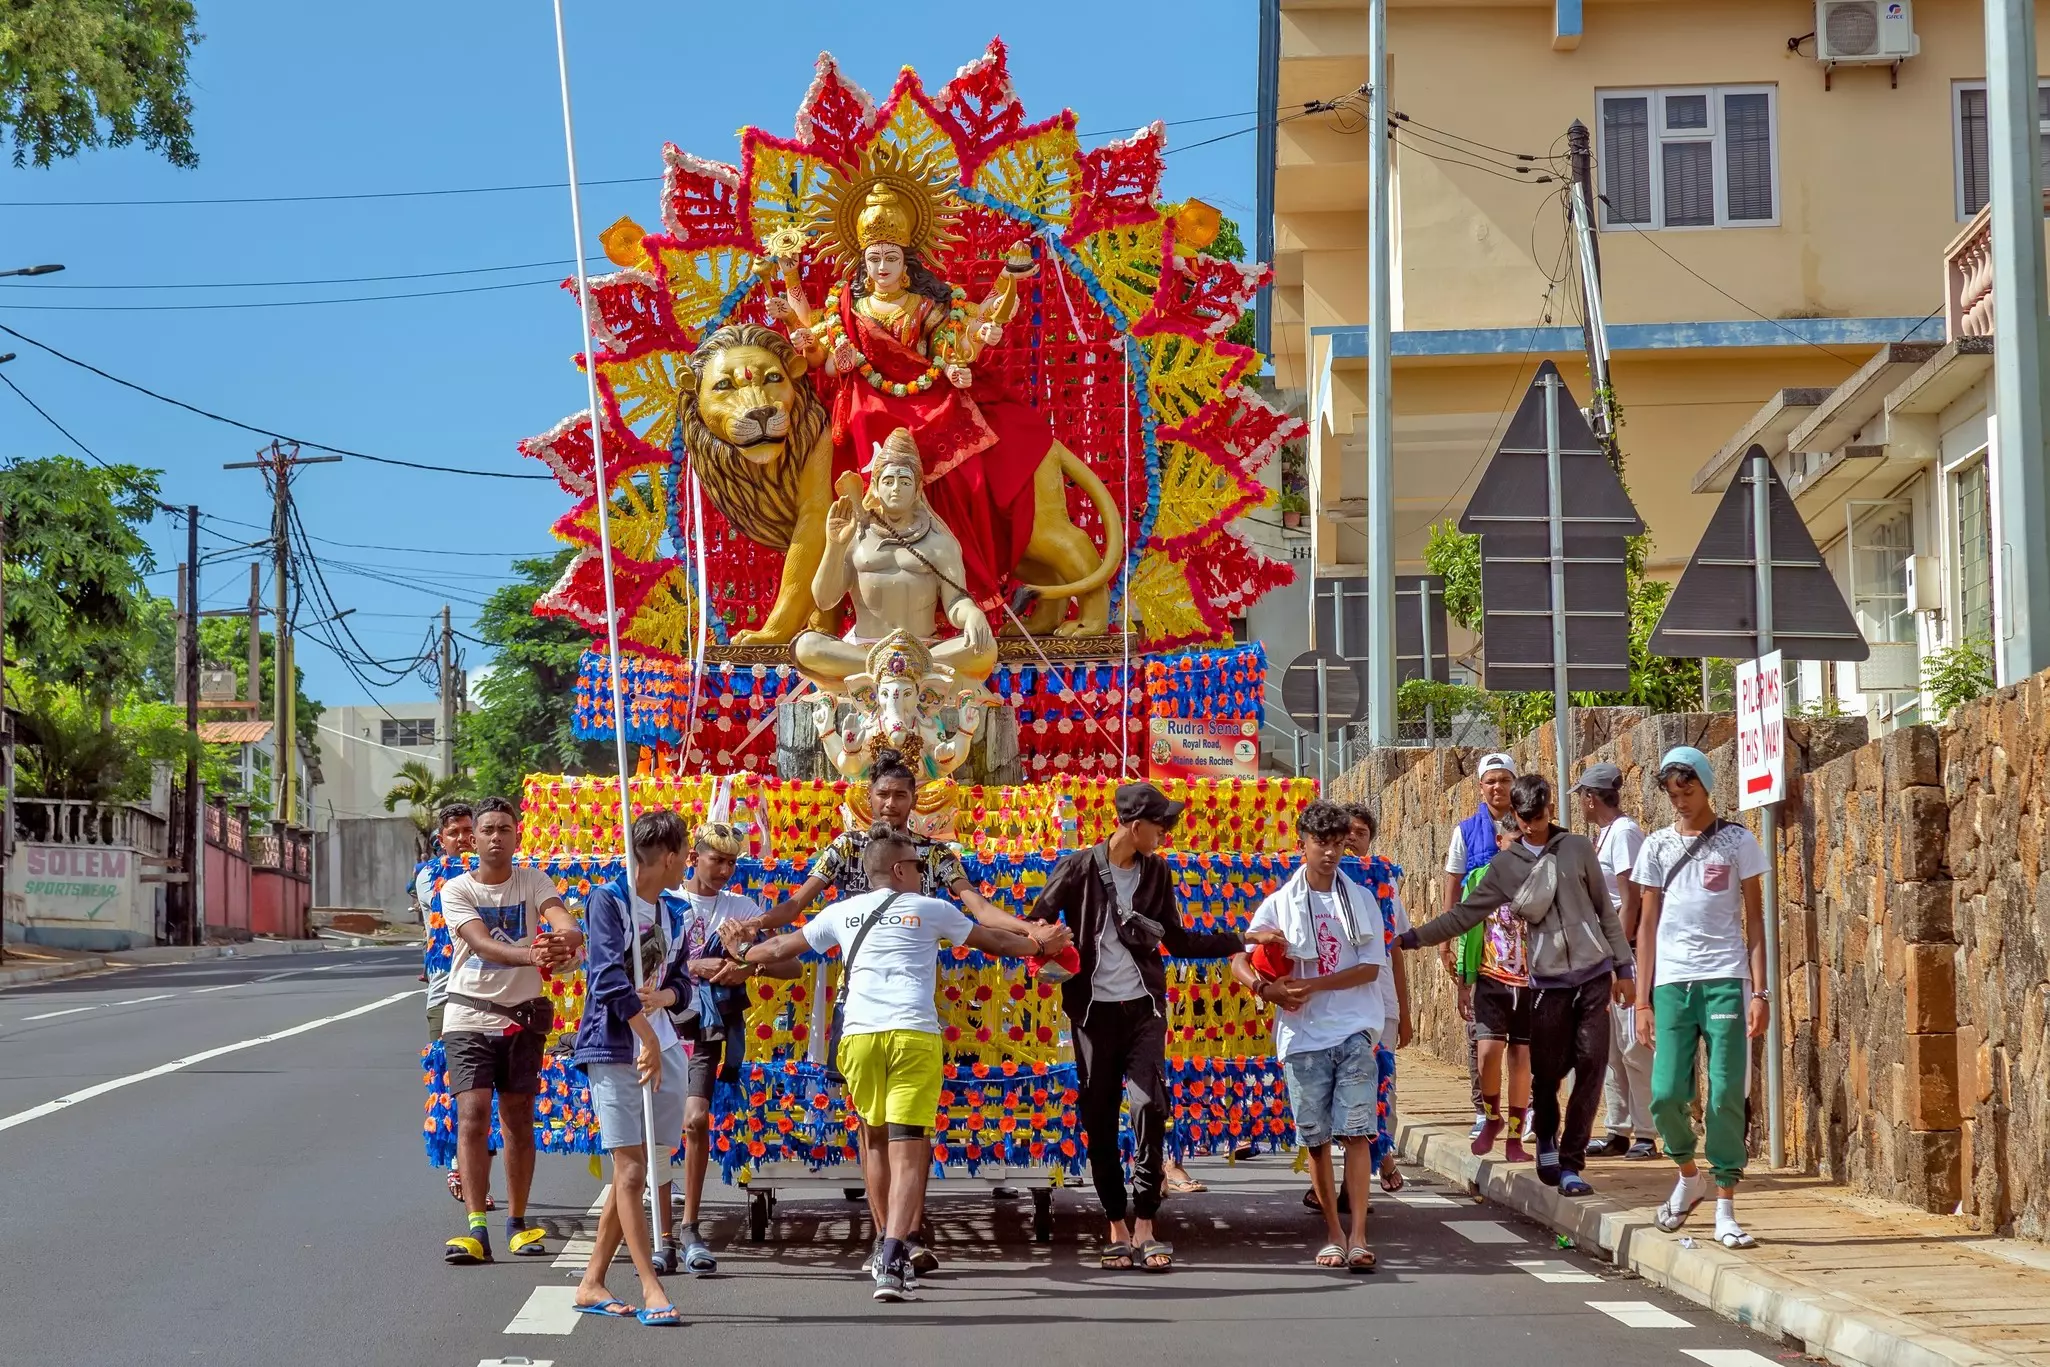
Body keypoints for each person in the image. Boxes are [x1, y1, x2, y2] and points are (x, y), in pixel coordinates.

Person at [727, 748, 1069, 1275]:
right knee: (875, 1132)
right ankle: (887, 1234)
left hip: (918, 1005)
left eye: (900, 794)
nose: (890, 803)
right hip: (856, 1005)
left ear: (915, 800)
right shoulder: (847, 849)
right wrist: (754, 928)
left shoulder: (935, 855)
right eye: (882, 794)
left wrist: (1030, 930)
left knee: (911, 1129)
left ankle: (907, 1234)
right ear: (868, 798)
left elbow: (977, 910)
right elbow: (797, 908)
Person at [745, 828, 1037, 1303]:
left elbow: (778, 950)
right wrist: (1041, 945)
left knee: (874, 1141)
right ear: (900, 870)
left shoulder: (841, 912)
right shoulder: (930, 909)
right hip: (912, 1036)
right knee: (908, 1152)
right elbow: (997, 942)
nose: (923, 875)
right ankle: (895, 1254)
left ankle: (884, 1241)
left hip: (858, 1039)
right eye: (919, 869)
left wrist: (738, 950)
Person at [1026, 782, 1245, 1273]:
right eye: (1160, 825)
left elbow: (1180, 940)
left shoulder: (1158, 872)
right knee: (1099, 1116)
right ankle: (1115, 1225)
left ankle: (1146, 1220)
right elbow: (1036, 920)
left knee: (1150, 1106)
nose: (1166, 834)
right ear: (1133, 825)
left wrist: (1240, 940)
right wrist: (1047, 941)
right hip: (1091, 1014)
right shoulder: (1079, 867)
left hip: (1144, 1008)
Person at [1405, 775, 1636, 1195]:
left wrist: (1624, 969)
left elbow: (1605, 911)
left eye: (1540, 815)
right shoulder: (1506, 867)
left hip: (1594, 973)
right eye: (1525, 818)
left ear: (1550, 808)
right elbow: (1464, 914)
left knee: (1591, 1064)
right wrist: (1415, 938)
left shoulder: (1577, 849)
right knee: (1547, 1074)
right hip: (1546, 982)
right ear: (1515, 815)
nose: (1533, 825)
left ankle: (1570, 1162)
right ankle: (1545, 1136)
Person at [1233, 800, 1387, 1273]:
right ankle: (1334, 1234)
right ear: (1302, 844)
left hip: (1355, 1029)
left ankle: (1359, 1236)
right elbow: (1239, 958)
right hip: (1302, 1037)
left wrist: (1314, 984)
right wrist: (1266, 988)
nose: (1330, 853)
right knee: (1317, 1139)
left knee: (1357, 1133)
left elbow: (1369, 967)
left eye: (1338, 844)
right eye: (1322, 843)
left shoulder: (1359, 899)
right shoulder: (1279, 903)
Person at [1631, 746, 1770, 1250]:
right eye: (1672, 792)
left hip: (1727, 979)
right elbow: (1645, 927)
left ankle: (1727, 1207)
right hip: (1671, 984)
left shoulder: (1738, 842)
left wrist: (1762, 991)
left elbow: (1755, 922)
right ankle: (1689, 1175)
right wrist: (1643, 1000)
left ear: (1707, 784)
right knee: (1666, 1094)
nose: (1681, 800)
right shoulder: (1657, 846)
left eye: (1688, 789)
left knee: (1728, 1091)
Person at [438, 796, 581, 1265]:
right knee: (474, 1114)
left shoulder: (534, 880)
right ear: (473, 838)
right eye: (487, 830)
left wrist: (564, 941)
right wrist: (533, 955)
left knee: (518, 1119)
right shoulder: (456, 889)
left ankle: (518, 1223)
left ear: (517, 834)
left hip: (522, 1017)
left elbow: (564, 921)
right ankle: (476, 1227)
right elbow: (480, 942)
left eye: (504, 828)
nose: (496, 837)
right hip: (469, 1015)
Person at [567, 811, 696, 1326]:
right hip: (616, 1047)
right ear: (667, 857)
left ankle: (591, 1281)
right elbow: (604, 977)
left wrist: (663, 997)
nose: (686, 862)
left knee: (643, 1169)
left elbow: (683, 982)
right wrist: (642, 1034)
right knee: (630, 1168)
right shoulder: (608, 899)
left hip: (663, 1047)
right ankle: (650, 1285)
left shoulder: (675, 914)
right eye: (685, 854)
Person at [654, 820, 799, 1276]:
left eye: (733, 862)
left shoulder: (742, 907)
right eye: (717, 860)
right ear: (692, 857)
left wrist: (744, 963)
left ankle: (691, 1226)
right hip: (658, 1024)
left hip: (706, 1028)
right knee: (658, 1131)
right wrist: (692, 963)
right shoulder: (666, 901)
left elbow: (789, 966)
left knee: (696, 1121)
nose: (725, 870)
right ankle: (662, 1236)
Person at [1573, 763, 1657, 1162]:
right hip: (1602, 957)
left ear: (1592, 797)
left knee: (1633, 1046)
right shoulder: (1604, 835)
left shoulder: (1624, 833)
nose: (1581, 804)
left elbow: (1632, 897)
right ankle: (1617, 1127)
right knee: (1607, 1049)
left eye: (1582, 797)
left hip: (1624, 958)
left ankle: (1646, 1131)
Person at [1443, 752, 1519, 1139]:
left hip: (1525, 954)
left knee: (1529, 1039)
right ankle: (1483, 1110)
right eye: (1491, 781)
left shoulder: (1529, 824)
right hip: (1480, 949)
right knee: (1480, 1037)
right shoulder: (1466, 831)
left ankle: (1532, 1110)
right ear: (1480, 787)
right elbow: (1453, 883)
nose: (1497, 787)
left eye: (1504, 780)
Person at [1348, 804, 1411, 1193]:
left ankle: (1380, 1156)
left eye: (1361, 832)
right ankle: (1352, 1179)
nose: (1353, 837)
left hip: (1380, 1002)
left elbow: (1398, 948)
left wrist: (1404, 1012)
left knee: (1379, 1084)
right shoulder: (1315, 881)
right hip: (1336, 1006)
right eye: (1347, 831)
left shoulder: (1384, 883)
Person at [418, 802, 478, 1205]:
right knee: (457, 1088)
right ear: (442, 839)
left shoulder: (493, 875)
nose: (463, 839)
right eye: (454, 833)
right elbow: (450, 906)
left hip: (489, 993)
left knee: (484, 1091)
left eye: (469, 831)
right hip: (445, 997)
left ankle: (477, 1169)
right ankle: (461, 1167)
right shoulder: (429, 878)